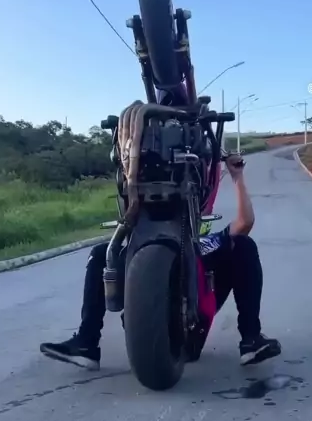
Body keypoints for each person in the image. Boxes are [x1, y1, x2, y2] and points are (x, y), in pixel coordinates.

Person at [40, 152, 281, 370]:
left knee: (243, 245)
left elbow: (245, 223)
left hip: (192, 327)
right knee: (103, 253)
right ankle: (86, 343)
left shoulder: (209, 242)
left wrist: (237, 176)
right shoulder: (144, 243)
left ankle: (251, 338)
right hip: (146, 333)